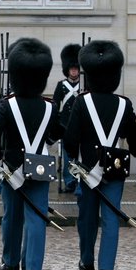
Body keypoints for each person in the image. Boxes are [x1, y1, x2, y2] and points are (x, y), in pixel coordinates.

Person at [0, 37, 64, 270]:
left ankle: (10, 263)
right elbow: (59, 131)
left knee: (12, 218)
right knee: (37, 217)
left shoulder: (7, 105)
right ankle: (33, 269)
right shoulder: (50, 106)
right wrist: (46, 141)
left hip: (12, 167)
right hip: (40, 165)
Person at [64, 40, 136, 270]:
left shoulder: (82, 102)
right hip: (115, 172)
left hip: (89, 172)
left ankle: (87, 261)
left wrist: (76, 159)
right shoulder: (124, 104)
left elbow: (70, 140)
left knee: (87, 219)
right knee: (111, 221)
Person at [52, 43, 81, 194]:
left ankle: (79, 179)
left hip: (80, 125)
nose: (74, 71)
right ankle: (69, 181)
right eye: (72, 68)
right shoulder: (61, 85)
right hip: (65, 125)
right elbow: (55, 104)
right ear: (68, 69)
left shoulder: (84, 85)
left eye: (76, 68)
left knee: (79, 155)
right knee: (67, 156)